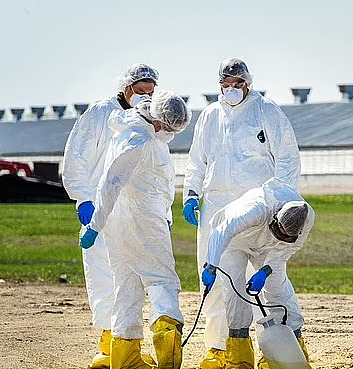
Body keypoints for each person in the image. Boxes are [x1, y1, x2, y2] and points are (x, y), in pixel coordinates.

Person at [182, 57, 301, 369]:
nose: (232, 89)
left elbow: (287, 157)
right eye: (226, 85)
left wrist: (283, 200)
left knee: (269, 281)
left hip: (259, 209)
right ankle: (220, 349)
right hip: (216, 211)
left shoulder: (267, 111)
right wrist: (191, 194)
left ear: (249, 83)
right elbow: (197, 160)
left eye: (238, 84)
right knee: (220, 281)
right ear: (219, 85)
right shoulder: (209, 115)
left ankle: (277, 350)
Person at [79, 91, 191, 369]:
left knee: (127, 287)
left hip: (120, 225)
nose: (169, 133)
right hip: (144, 221)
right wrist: (94, 224)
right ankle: (168, 350)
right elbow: (110, 184)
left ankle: (126, 357)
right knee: (162, 281)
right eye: (168, 127)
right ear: (158, 119)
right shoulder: (139, 140)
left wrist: (100, 225)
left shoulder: (131, 132)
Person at [62, 63, 159, 369]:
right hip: (98, 210)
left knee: (131, 279)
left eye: (150, 92)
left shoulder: (145, 117)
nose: (145, 97)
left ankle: (127, 342)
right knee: (103, 276)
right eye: (140, 91)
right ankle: (108, 346)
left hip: (132, 212)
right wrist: (83, 201)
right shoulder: (98, 114)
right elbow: (75, 159)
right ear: (126, 88)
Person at [200, 177, 314, 369]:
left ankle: (293, 353)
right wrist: (211, 266)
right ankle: (239, 358)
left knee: (279, 292)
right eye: (278, 231)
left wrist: (266, 270)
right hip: (235, 243)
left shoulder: (307, 217)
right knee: (235, 292)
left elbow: (287, 249)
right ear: (275, 216)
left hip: (271, 248)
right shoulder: (255, 209)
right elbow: (222, 232)